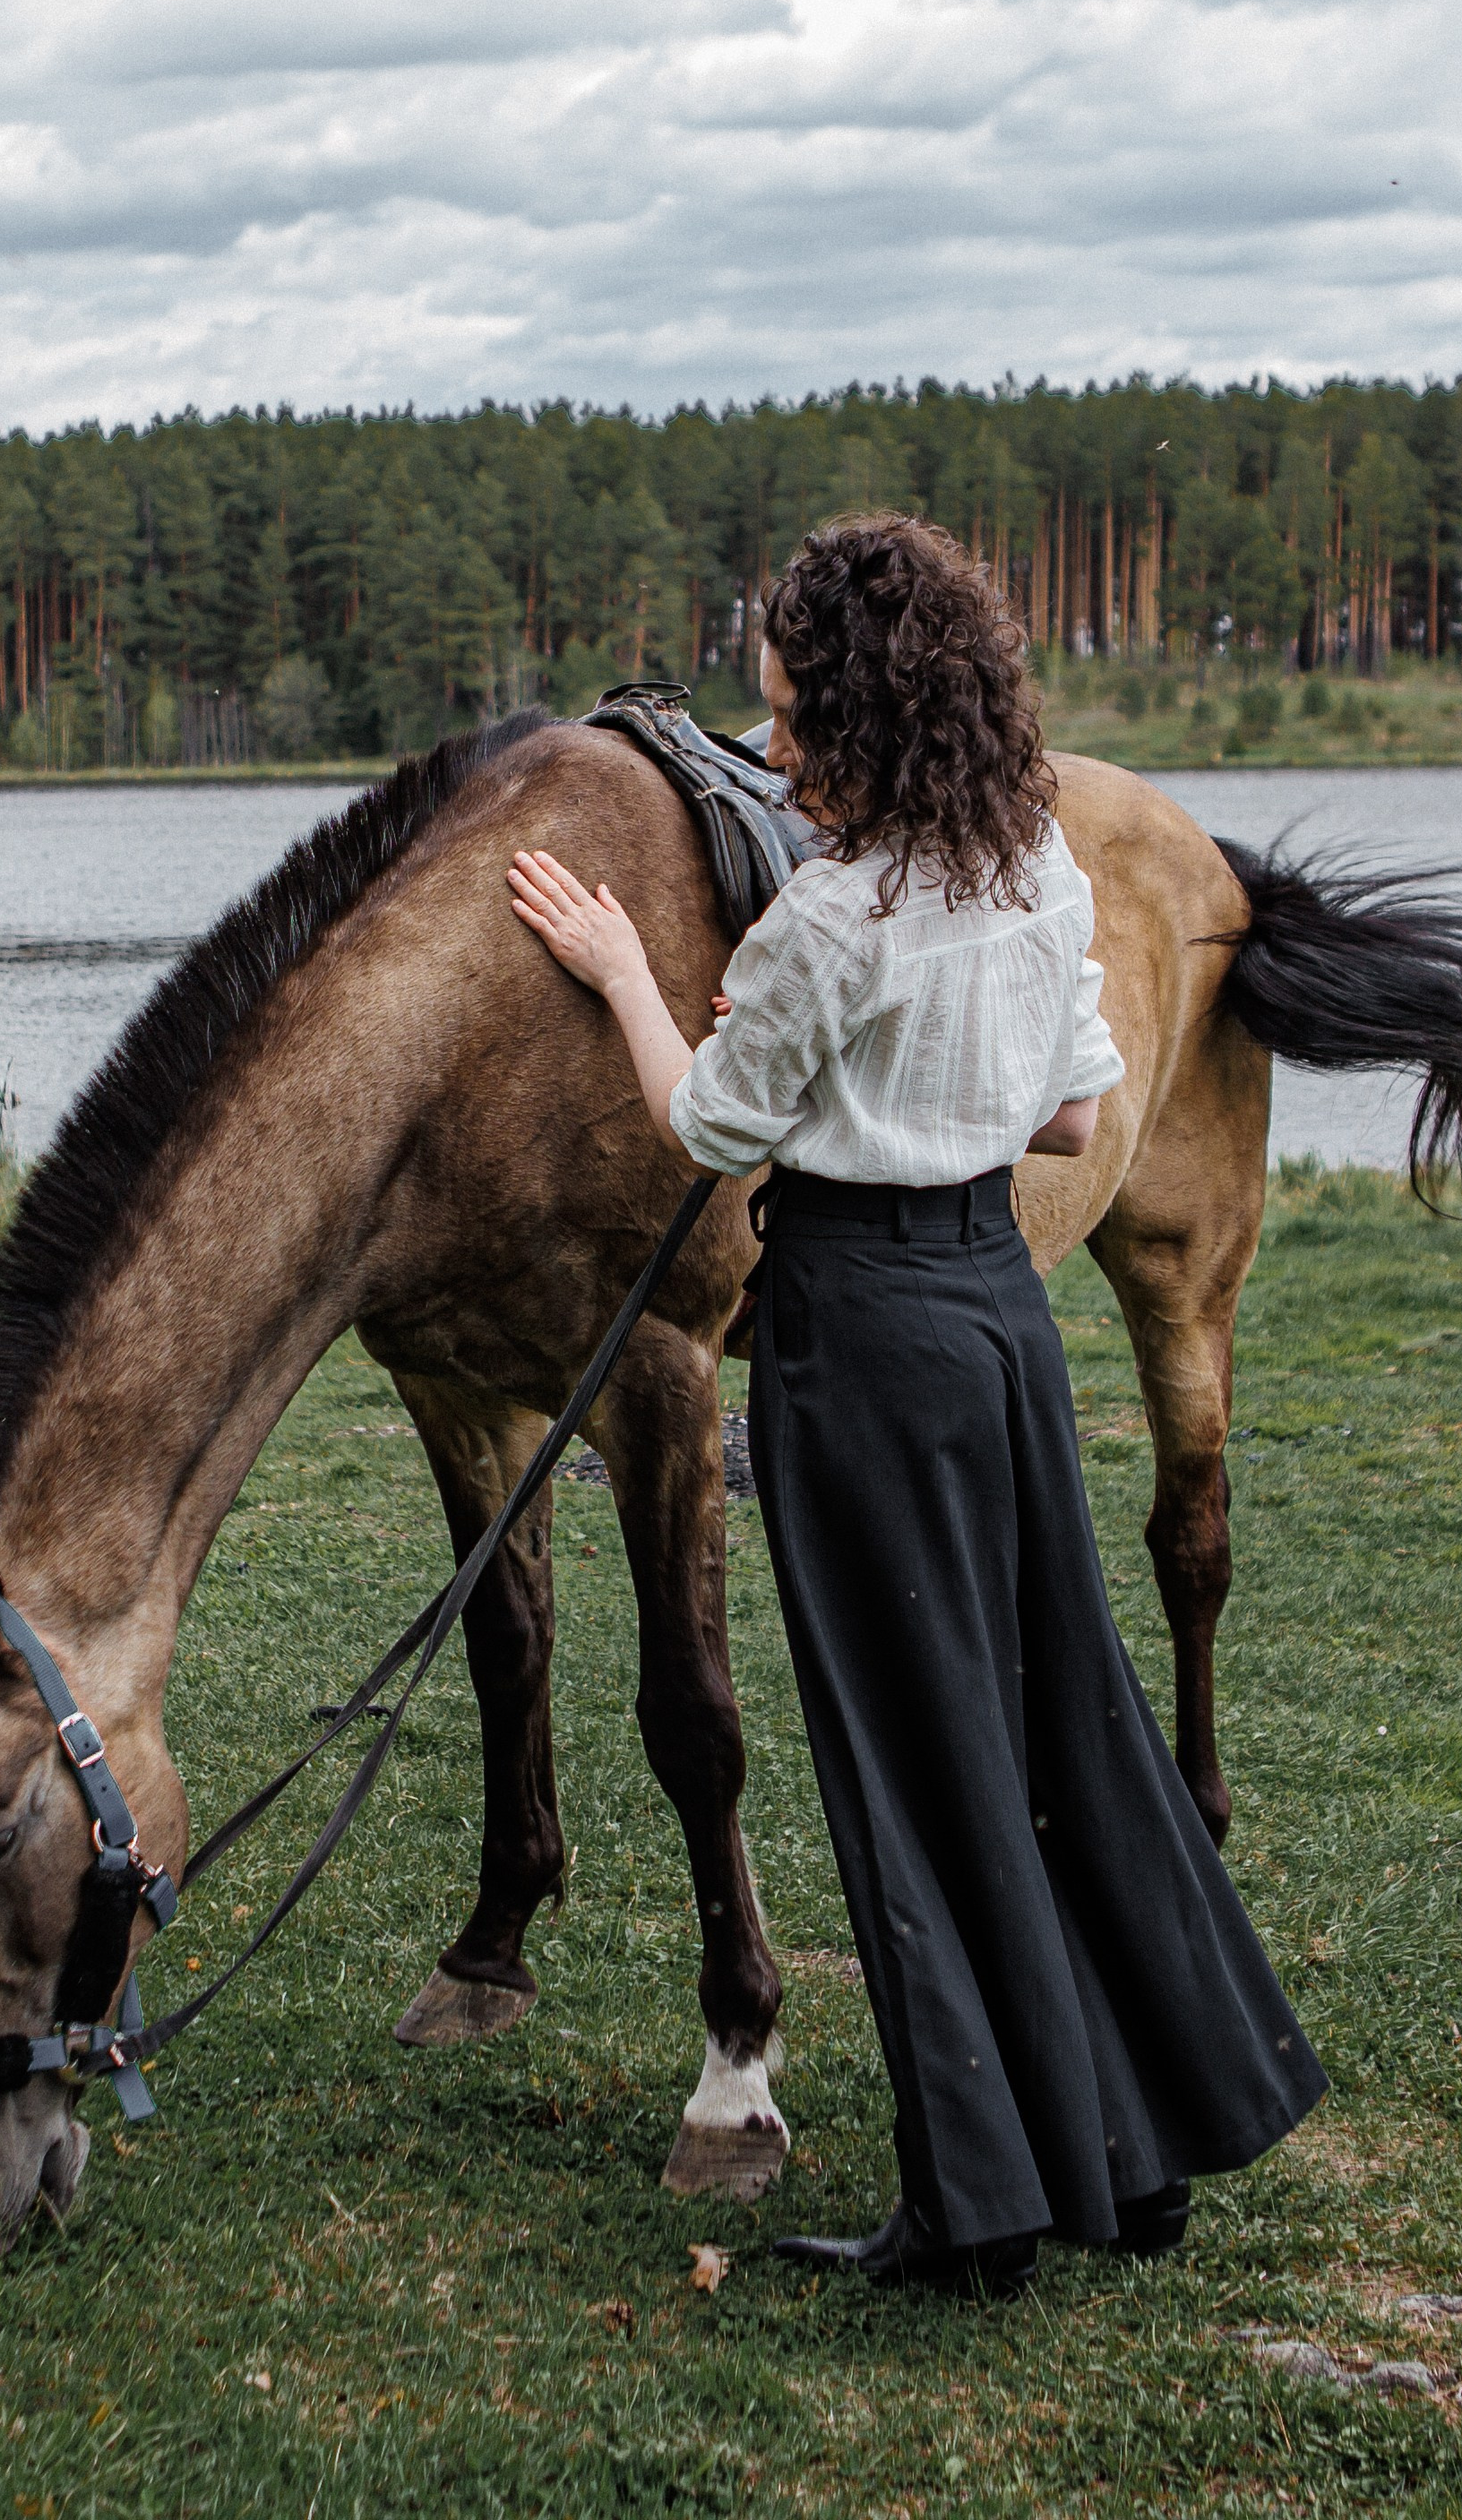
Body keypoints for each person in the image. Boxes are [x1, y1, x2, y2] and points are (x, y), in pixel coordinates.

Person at [507, 512, 1325, 2299]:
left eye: (793, 711)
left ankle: (975, 2206)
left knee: (908, 1765)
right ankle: (1144, 2137)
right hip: (996, 1325)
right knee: (1060, 1735)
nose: (773, 740)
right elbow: (1060, 1118)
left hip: (857, 1334)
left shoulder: (823, 919)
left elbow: (708, 1131)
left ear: (871, 717)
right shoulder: (1037, 871)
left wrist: (630, 980)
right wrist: (926, 1091)